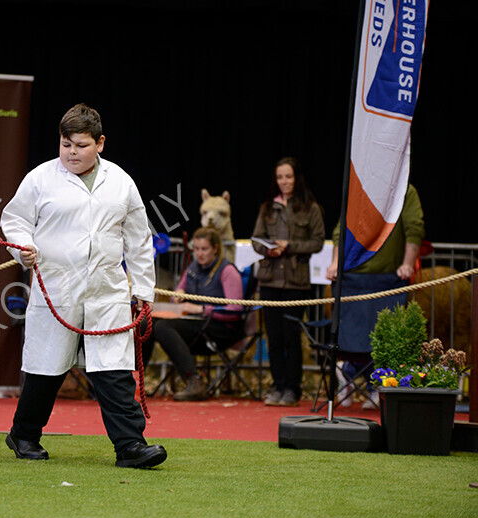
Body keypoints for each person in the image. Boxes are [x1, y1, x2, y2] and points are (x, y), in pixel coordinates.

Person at [0, 103, 167, 469]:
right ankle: (24, 435)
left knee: (114, 371)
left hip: (107, 292)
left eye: (81, 145)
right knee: (47, 370)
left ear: (100, 143)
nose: (72, 153)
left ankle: (130, 447)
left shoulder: (122, 182)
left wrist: (143, 292)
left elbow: (139, 241)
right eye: (66, 144)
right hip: (55, 290)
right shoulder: (40, 178)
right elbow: (13, 220)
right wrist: (21, 249)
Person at [325, 184, 424, 409]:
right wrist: (334, 263)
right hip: (353, 278)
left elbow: (414, 227)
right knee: (354, 335)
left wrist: (408, 264)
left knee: (384, 337)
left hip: (389, 280)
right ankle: (349, 374)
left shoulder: (404, 189)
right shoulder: (360, 187)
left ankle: (371, 383)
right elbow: (342, 228)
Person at [251, 156, 325, 407]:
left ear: (297, 178)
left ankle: (293, 388)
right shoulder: (267, 208)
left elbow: (317, 242)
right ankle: (277, 385)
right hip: (270, 280)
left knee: (291, 337)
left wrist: (290, 246)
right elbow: (255, 239)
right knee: (274, 337)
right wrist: (267, 249)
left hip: (295, 283)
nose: (284, 181)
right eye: (280, 177)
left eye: (288, 176)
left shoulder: (310, 208)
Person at [141, 226, 244, 401]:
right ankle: (136, 380)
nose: (200, 254)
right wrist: (178, 296)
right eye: (196, 249)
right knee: (146, 323)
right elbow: (177, 295)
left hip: (220, 328)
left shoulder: (227, 271)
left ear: (215, 249)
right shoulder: (193, 268)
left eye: (204, 249)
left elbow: (235, 310)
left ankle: (194, 380)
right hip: (193, 323)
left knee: (164, 327)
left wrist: (202, 309)